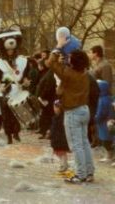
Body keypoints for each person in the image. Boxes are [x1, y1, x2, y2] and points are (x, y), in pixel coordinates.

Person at [46, 47, 95, 184]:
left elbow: (50, 64)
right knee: (85, 143)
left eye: (70, 58)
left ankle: (80, 175)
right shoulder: (85, 73)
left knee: (76, 145)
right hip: (84, 110)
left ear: (73, 62)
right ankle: (89, 172)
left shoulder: (68, 73)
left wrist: (56, 49)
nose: (68, 59)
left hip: (72, 112)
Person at [95, 80, 115, 163]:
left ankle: (109, 156)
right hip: (110, 122)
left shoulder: (102, 100)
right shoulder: (110, 98)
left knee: (106, 141)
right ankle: (110, 156)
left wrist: (96, 118)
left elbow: (101, 113)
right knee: (110, 140)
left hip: (104, 123)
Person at [36, 60, 56, 139]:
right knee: (45, 116)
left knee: (47, 116)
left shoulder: (50, 74)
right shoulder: (48, 73)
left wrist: (42, 96)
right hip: (45, 99)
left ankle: (48, 132)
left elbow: (48, 87)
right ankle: (45, 132)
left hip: (48, 99)